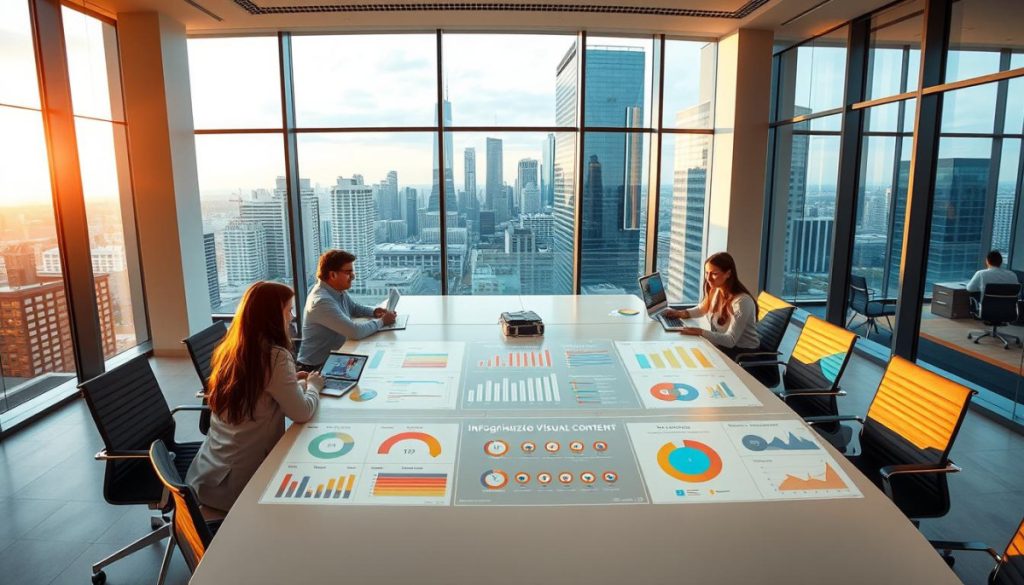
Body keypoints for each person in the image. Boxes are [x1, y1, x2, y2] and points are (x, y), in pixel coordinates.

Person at [186, 281, 323, 517]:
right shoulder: (275, 356)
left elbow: (261, 392)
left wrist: (292, 382)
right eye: (288, 310)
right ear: (272, 316)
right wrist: (313, 386)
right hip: (240, 484)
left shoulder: (232, 349)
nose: (291, 317)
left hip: (207, 472)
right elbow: (302, 413)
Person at [296, 250, 397, 372]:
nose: (353, 276)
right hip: (315, 368)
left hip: (334, 359)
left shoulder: (335, 290)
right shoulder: (321, 301)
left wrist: (374, 312)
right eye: (348, 272)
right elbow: (355, 332)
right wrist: (382, 321)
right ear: (333, 275)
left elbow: (353, 307)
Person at [662, 252, 760, 360]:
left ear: (728, 274)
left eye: (714, 273)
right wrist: (681, 313)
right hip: (722, 347)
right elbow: (703, 308)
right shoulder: (717, 289)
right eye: (706, 273)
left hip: (742, 354)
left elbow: (730, 340)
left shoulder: (742, 302)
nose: (708, 278)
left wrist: (700, 332)